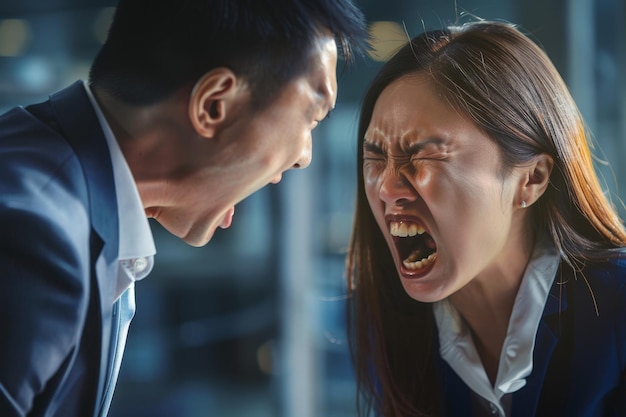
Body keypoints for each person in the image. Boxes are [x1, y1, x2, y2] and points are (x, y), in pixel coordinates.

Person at [0, 1, 366, 416]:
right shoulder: (37, 238)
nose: (304, 157)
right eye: (310, 116)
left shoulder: (61, 189)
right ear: (214, 105)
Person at [346, 20, 626, 417]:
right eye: (375, 157)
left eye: (423, 155)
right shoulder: (389, 325)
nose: (388, 188)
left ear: (532, 179)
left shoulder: (616, 309)